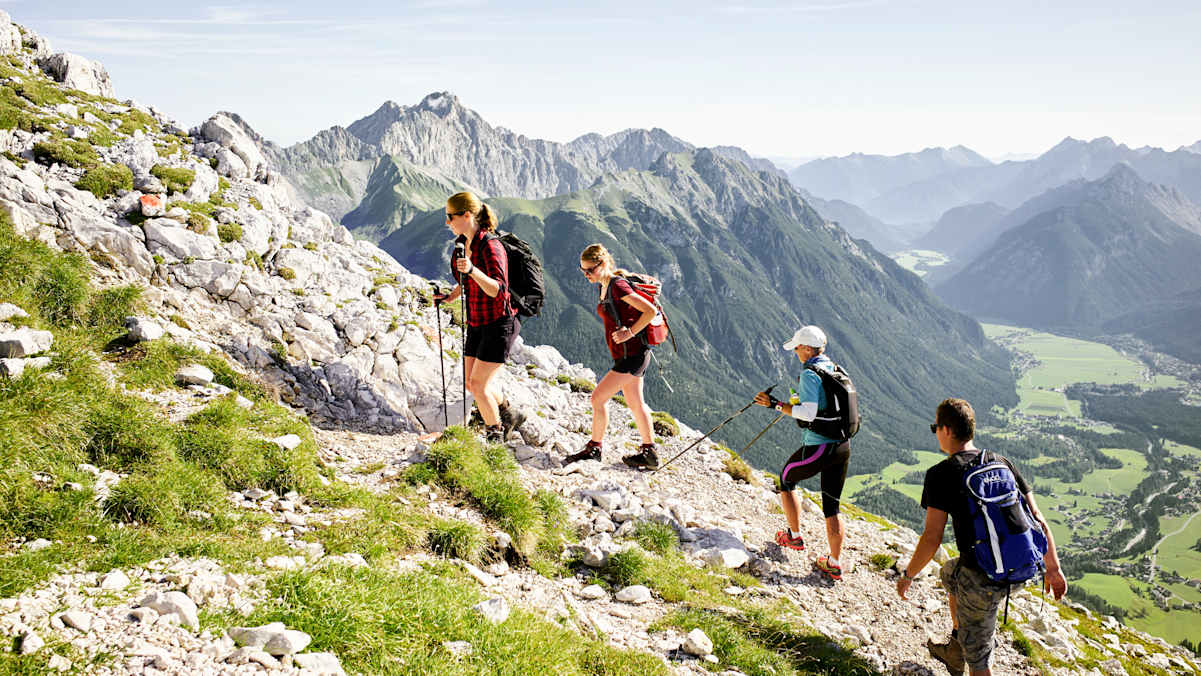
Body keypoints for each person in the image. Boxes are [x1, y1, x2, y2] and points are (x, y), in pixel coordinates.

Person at [896, 398, 1067, 676]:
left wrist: (908, 575)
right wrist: (1053, 569)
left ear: (947, 430)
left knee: (979, 660)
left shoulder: (941, 474)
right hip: (1023, 570)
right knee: (950, 573)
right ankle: (956, 646)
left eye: (935, 427)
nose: (935, 432)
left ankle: (968, 648)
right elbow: (1037, 518)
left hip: (984, 579)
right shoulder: (1001, 463)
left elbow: (931, 537)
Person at [754, 325, 851, 581]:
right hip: (842, 445)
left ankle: (794, 537)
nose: (795, 351)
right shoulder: (834, 368)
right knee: (832, 505)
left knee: (786, 480)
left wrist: (775, 405)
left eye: (797, 347)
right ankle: (834, 563)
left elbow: (808, 414)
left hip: (819, 445)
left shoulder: (810, 373)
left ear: (807, 349)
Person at [433, 192, 525, 443]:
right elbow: (465, 283)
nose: (447, 223)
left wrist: (473, 270)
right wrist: (449, 298)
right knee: (471, 384)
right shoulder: (462, 246)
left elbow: (498, 290)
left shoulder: (491, 246)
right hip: (477, 323)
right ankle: (509, 411)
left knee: (479, 385)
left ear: (467, 215)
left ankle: (495, 436)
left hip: (499, 323)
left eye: (450, 217)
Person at [561, 243, 661, 469]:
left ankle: (594, 448)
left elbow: (650, 311)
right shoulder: (604, 285)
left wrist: (630, 332)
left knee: (597, 398)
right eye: (583, 270)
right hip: (628, 353)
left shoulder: (618, 286)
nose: (586, 275)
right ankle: (650, 453)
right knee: (636, 403)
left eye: (590, 270)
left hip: (632, 354)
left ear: (604, 264)